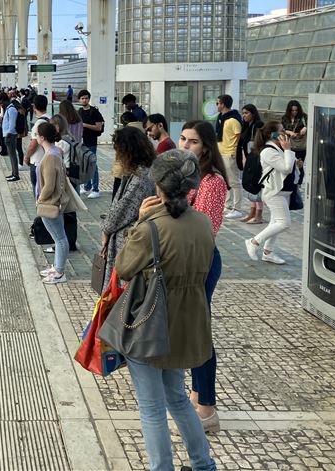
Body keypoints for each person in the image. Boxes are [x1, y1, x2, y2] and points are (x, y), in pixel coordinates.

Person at [115, 149, 217, 471]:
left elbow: (123, 267)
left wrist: (142, 221)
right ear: (191, 188)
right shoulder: (203, 224)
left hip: (150, 327)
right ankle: (203, 464)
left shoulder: (152, 229)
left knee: (151, 408)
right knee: (177, 397)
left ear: (157, 187)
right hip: (186, 326)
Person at [179, 120, 229, 434]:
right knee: (193, 333)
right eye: (183, 139)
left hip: (201, 262)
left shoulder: (211, 181)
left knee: (199, 336)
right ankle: (198, 396)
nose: (184, 145)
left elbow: (204, 229)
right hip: (186, 261)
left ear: (206, 146)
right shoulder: (189, 175)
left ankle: (207, 408)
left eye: (193, 142)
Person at [100, 126, 156, 290]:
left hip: (129, 240)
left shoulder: (141, 176)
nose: (117, 156)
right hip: (130, 238)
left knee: (120, 293)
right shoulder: (140, 171)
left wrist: (106, 230)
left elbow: (123, 210)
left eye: (118, 151)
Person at [245, 121, 299, 265]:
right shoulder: (268, 151)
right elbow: (285, 168)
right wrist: (287, 150)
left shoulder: (278, 148)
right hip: (273, 193)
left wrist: (292, 156)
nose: (284, 132)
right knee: (284, 223)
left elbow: (289, 167)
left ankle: (268, 252)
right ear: (272, 134)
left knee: (275, 222)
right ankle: (254, 241)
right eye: (281, 130)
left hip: (284, 191)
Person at [36, 121, 79, 284]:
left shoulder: (50, 156)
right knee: (58, 237)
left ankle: (60, 272)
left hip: (50, 203)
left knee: (60, 238)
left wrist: (40, 199)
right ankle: (56, 267)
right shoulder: (55, 152)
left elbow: (49, 184)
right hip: (54, 201)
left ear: (41, 137)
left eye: (36, 135)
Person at [215, 94, 244, 219]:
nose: (216, 105)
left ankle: (237, 208)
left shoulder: (233, 120)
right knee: (226, 181)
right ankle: (228, 205)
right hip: (222, 151)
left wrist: (235, 152)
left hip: (230, 153)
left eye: (218, 103)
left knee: (234, 182)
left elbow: (239, 136)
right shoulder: (221, 117)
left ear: (223, 104)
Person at [238, 104, 265, 224]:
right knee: (250, 184)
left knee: (255, 185)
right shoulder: (247, 125)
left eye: (246, 113)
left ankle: (258, 214)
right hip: (249, 158)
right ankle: (252, 212)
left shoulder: (257, 125)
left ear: (253, 113)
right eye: (243, 113)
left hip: (256, 159)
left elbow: (258, 142)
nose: (244, 115)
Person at [77, 89, 104, 198]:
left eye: (86, 98)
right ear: (79, 100)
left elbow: (99, 127)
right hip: (82, 141)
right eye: (82, 98)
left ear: (89, 99)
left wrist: (85, 125)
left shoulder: (94, 111)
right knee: (84, 164)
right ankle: (87, 187)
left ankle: (96, 189)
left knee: (92, 164)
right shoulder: (79, 111)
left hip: (91, 141)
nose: (84, 100)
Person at [24, 94, 51, 198]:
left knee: (37, 188)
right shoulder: (51, 119)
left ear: (34, 106)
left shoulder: (38, 123)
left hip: (37, 161)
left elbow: (33, 144)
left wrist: (27, 157)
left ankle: (41, 211)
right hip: (49, 158)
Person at [282, 100, 308, 183]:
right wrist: (288, 132)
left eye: (296, 110)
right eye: (292, 110)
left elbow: (311, 125)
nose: (294, 112)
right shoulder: (285, 118)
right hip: (289, 144)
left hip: (301, 145)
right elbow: (281, 129)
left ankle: (299, 182)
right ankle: (291, 181)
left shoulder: (303, 117)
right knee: (290, 164)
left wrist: (305, 128)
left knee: (299, 165)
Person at [2, 95, 20, 181]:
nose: (1, 104)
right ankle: (13, 173)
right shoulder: (9, 108)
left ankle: (15, 175)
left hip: (10, 135)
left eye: (1, 102)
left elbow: (12, 124)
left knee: (13, 155)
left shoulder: (12, 109)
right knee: (11, 155)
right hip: (8, 134)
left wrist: (9, 133)